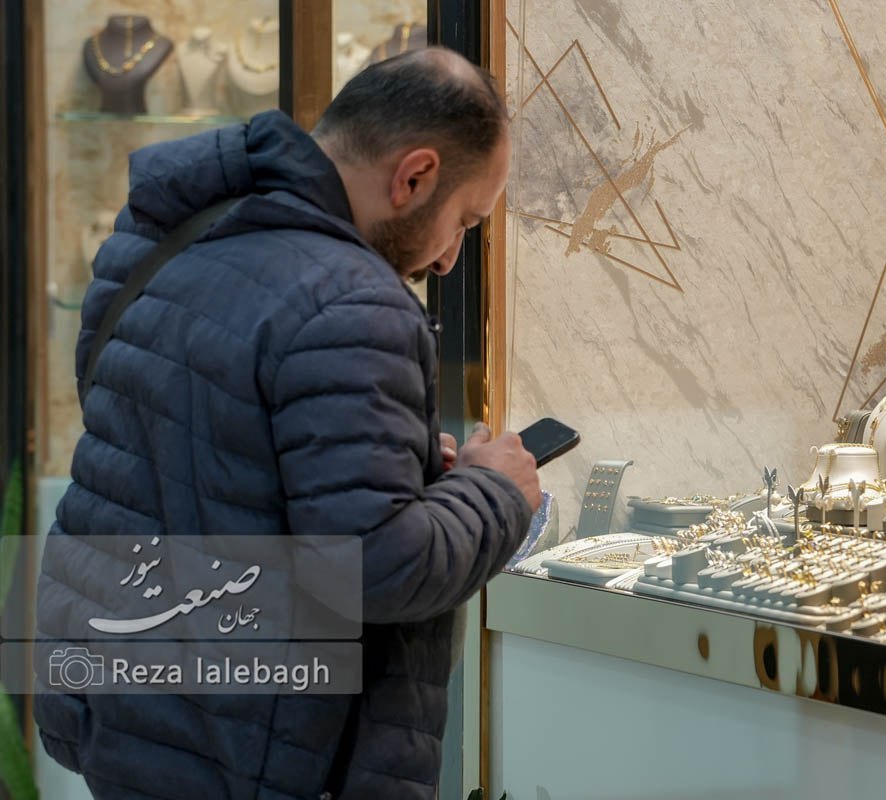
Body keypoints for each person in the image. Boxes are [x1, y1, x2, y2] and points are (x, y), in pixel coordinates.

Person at [34, 48, 539, 800]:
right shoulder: (354, 302)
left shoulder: (170, 234)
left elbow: (178, 441)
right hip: (258, 750)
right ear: (414, 176)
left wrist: (385, 464)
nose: (447, 260)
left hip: (130, 715)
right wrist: (495, 492)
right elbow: (376, 568)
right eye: (463, 222)